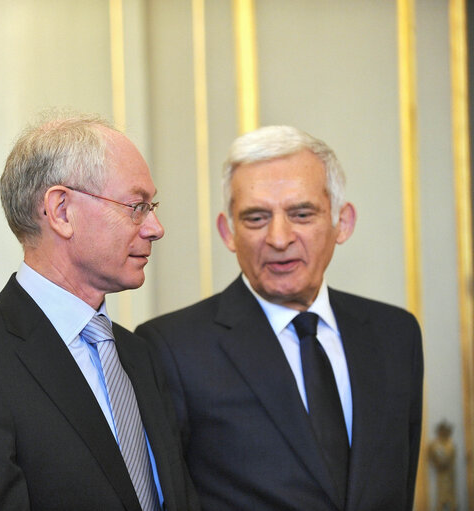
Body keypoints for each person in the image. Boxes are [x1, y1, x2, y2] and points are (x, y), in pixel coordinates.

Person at [0, 114, 200, 510]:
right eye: (137, 206)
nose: (155, 227)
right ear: (62, 210)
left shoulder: (137, 354)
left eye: (151, 207)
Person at [136, 125, 423, 511]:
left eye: (301, 214)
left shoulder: (396, 334)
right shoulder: (171, 347)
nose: (279, 238)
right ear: (228, 232)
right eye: (255, 218)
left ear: (343, 222)